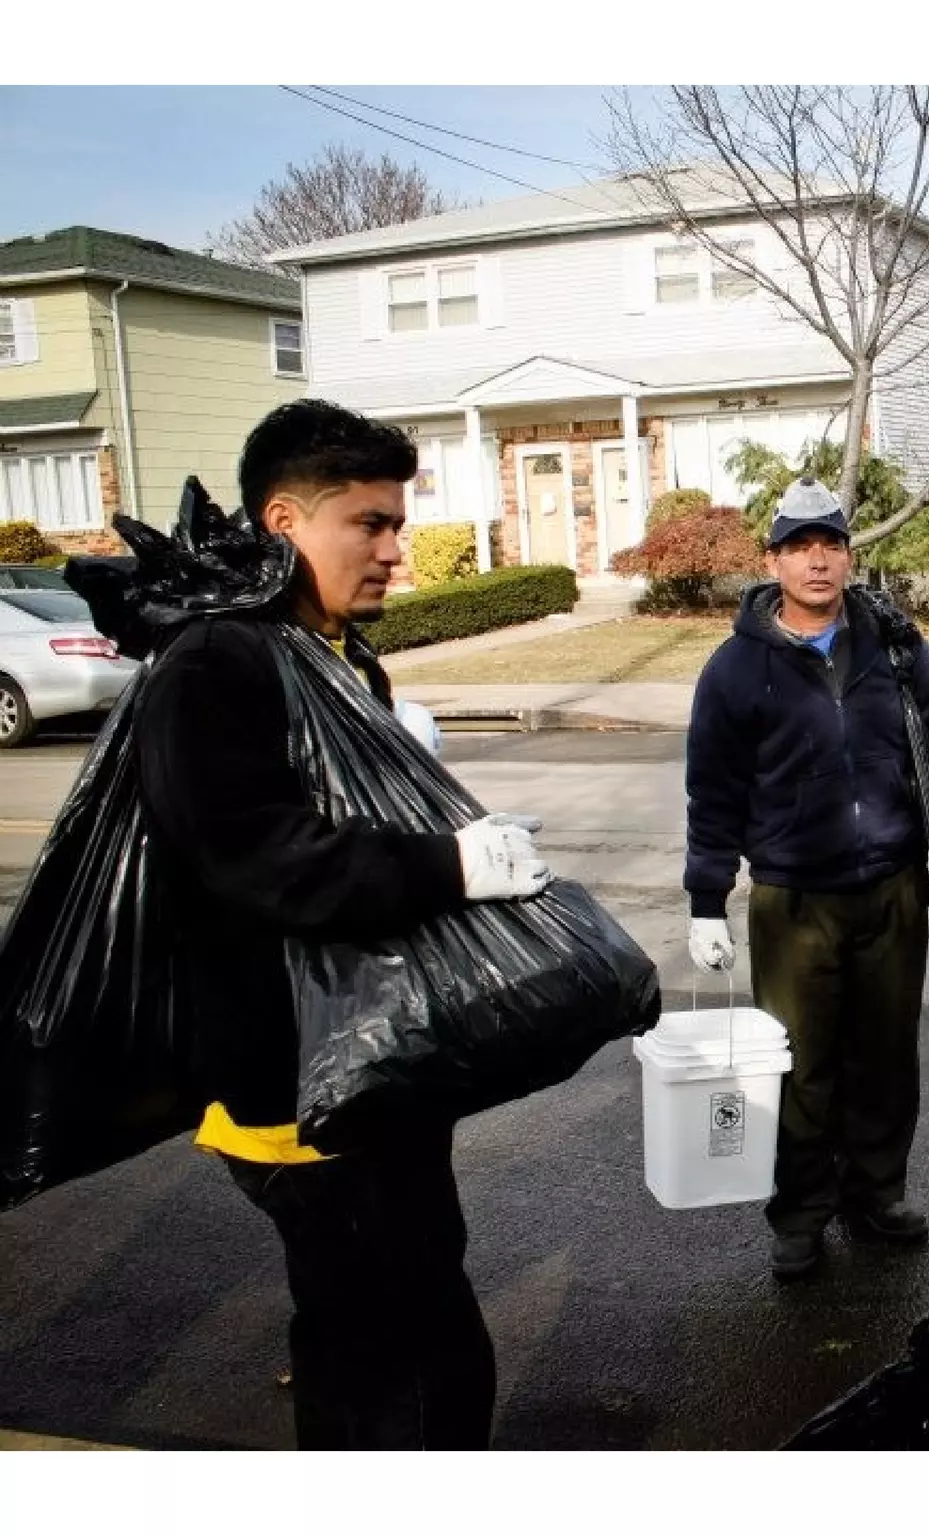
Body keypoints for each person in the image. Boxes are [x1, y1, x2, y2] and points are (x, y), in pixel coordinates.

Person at [135, 399, 554, 1449]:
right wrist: (448, 862)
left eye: (397, 524)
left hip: (372, 1061)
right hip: (297, 1086)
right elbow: (255, 858)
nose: (395, 552)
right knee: (400, 1355)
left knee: (388, 1319)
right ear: (283, 521)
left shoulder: (332, 659)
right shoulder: (216, 664)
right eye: (368, 524)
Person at [683, 476, 929, 1280]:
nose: (818, 562)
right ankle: (801, 1214)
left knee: (885, 1057)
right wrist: (706, 901)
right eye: (800, 548)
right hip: (793, 899)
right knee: (799, 1067)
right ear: (773, 561)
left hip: (891, 885)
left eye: (832, 545)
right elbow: (712, 790)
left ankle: (876, 1194)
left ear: (850, 556)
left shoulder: (893, 643)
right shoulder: (735, 670)